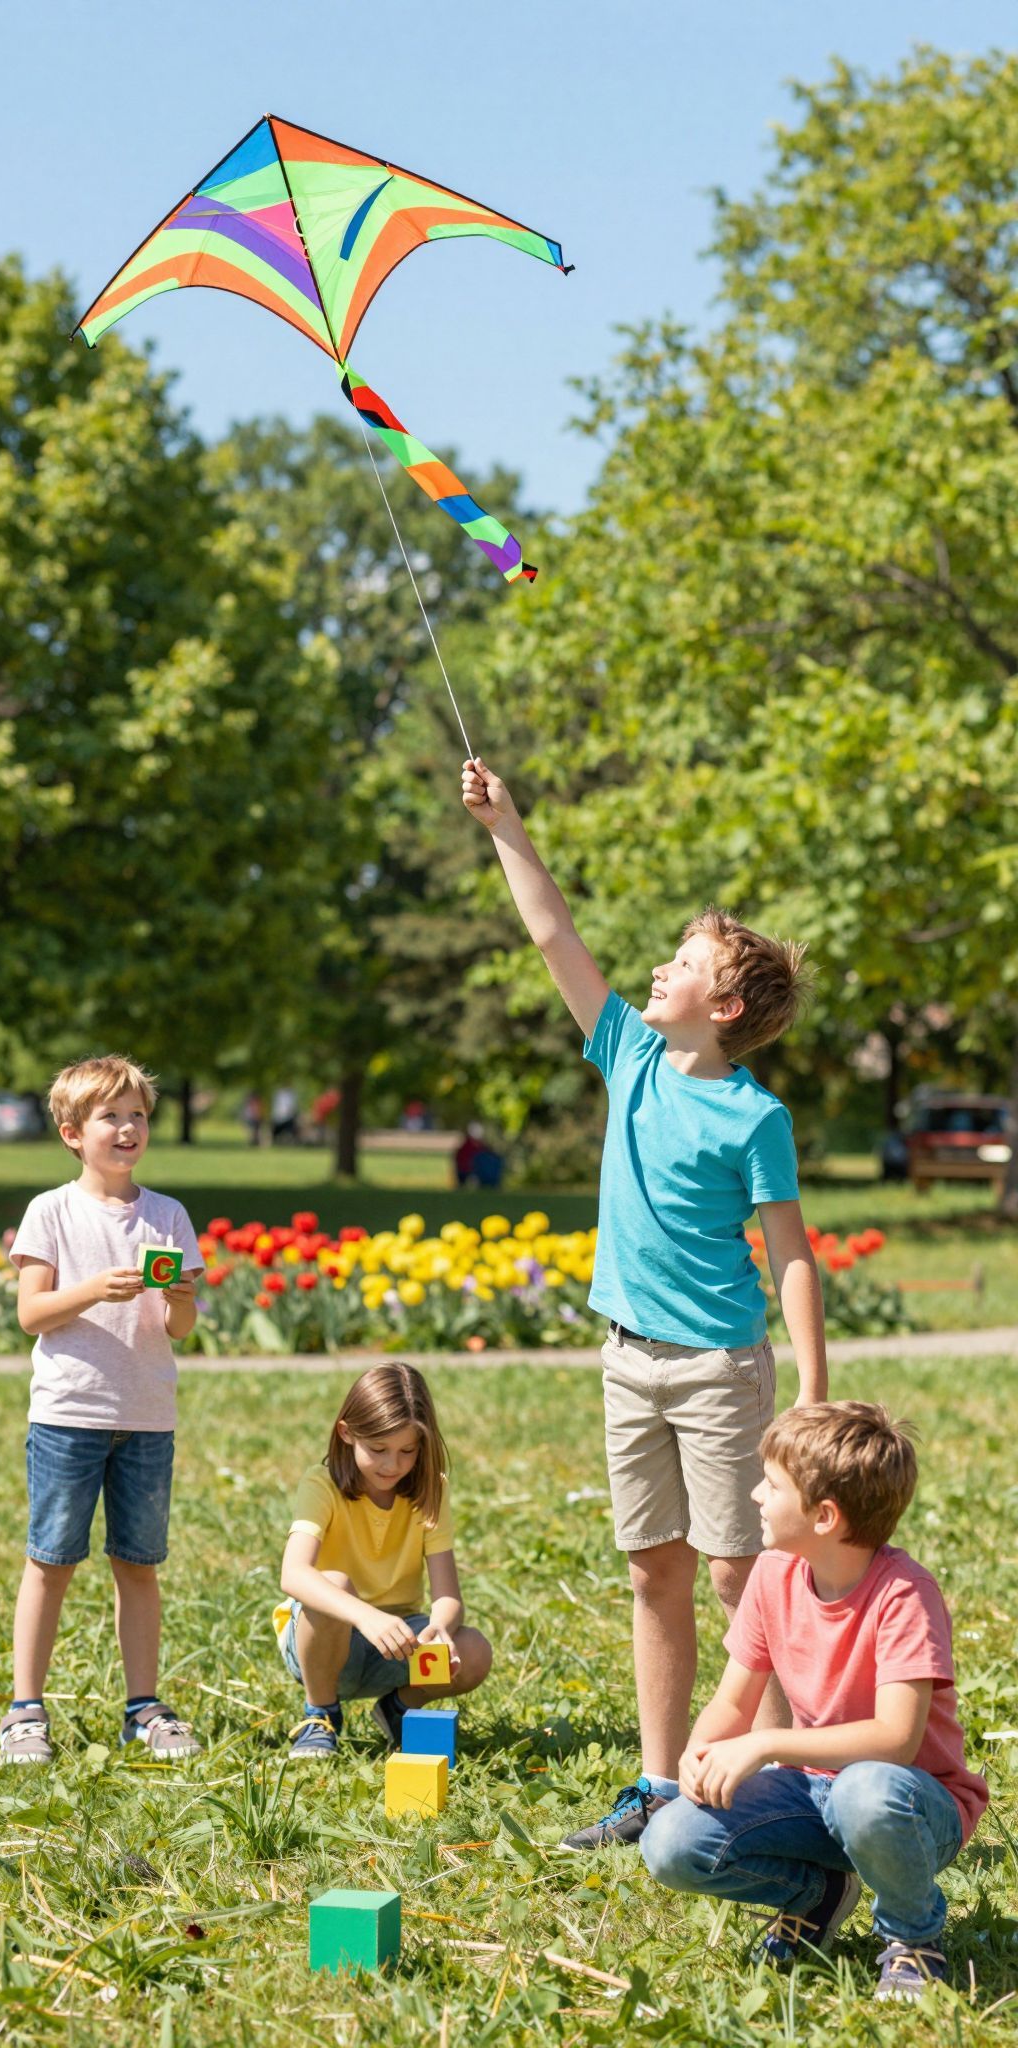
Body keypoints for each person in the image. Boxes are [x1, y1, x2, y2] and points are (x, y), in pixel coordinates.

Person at [461, 756, 827, 1849]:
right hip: (629, 1357)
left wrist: (811, 1387)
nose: (655, 969)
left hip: (720, 1364)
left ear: (721, 1006)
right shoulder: (626, 1051)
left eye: (681, 962)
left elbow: (793, 1254)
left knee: (736, 1575)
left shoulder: (755, 1117)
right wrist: (505, 821)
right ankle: (659, 1783)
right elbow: (550, 935)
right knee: (652, 1566)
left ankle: (782, 1789)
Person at [640, 1403, 988, 2002]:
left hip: (908, 1805)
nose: (755, 1495)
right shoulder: (774, 1577)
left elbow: (895, 1740)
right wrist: (700, 1753)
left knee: (864, 1792)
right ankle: (818, 1895)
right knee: (670, 1842)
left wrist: (768, 1743)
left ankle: (913, 1941)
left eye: (772, 1485)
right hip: (812, 1793)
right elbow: (732, 1701)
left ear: (824, 1515)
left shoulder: (904, 1594)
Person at [2, 1056, 204, 1764]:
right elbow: (32, 1312)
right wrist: (93, 1291)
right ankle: (26, 1709)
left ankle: (142, 1706)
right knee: (50, 1560)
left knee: (138, 1564)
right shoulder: (50, 1211)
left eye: (138, 1115)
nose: (127, 1128)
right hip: (69, 1414)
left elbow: (182, 1329)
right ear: (71, 1132)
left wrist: (178, 1296)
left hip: (147, 1415)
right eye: (110, 1116)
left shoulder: (168, 1214)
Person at [276, 1363, 492, 1758]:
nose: (392, 1465)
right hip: (322, 1642)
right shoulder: (321, 1484)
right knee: (335, 1583)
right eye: (378, 1450)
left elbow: (448, 1595)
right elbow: (293, 1574)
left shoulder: (430, 1490)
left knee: (475, 1650)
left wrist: (441, 1627)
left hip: (398, 1640)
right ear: (346, 1433)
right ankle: (320, 1715)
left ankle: (398, 1709)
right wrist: (365, 1616)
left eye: (407, 1451)